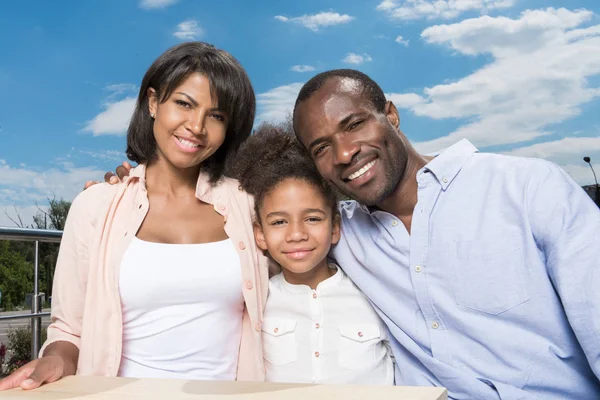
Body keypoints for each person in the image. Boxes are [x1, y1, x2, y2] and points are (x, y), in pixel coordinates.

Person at [291, 69, 600, 399]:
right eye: (322, 148)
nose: (344, 153)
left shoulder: (527, 187)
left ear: (391, 115)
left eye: (354, 125)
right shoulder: (335, 233)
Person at [0, 42, 269, 392]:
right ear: (153, 102)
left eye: (216, 116)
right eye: (184, 104)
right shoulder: (96, 206)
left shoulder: (249, 205)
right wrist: (55, 359)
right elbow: (68, 330)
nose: (196, 126)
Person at [230, 123, 394, 385]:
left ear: (335, 228)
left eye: (313, 218)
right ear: (259, 234)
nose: (297, 234)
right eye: (279, 222)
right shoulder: (257, 303)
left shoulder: (373, 296)